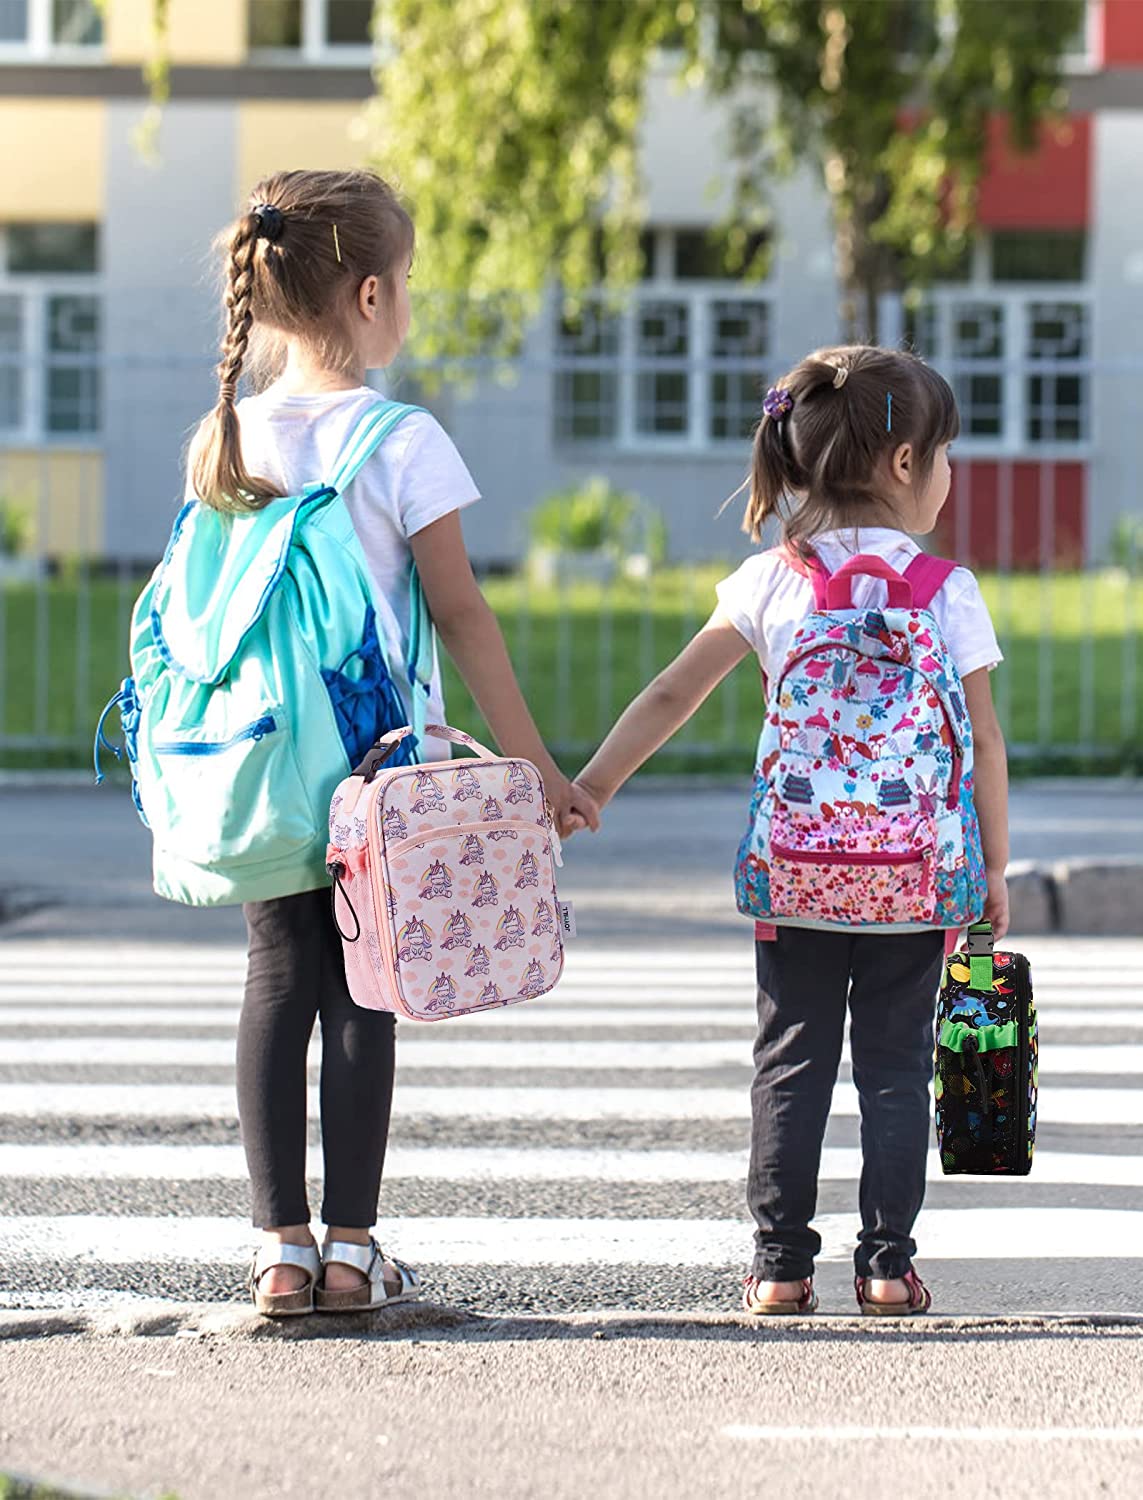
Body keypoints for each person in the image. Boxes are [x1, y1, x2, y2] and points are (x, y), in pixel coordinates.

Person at [187, 169, 598, 1315]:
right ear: (370, 294)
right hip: (380, 778)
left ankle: (278, 1246)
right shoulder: (401, 438)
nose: (407, 300)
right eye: (405, 281)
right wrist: (533, 773)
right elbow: (462, 615)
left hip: (266, 760)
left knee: (277, 979)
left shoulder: (229, 432)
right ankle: (354, 1251)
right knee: (366, 989)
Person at [573, 345, 1009, 1316]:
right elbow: (982, 739)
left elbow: (672, 689)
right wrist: (994, 863)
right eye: (943, 455)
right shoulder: (947, 590)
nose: (948, 475)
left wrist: (595, 784)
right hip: (913, 880)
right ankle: (888, 1267)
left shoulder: (774, 580)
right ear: (903, 465)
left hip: (800, 874)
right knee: (896, 1071)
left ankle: (778, 1267)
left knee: (791, 1064)